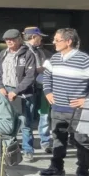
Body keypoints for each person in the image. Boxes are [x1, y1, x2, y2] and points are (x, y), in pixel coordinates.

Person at [39, 28, 89, 176]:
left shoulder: (83, 59)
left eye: (57, 40)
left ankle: (83, 173)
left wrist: (88, 100)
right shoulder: (55, 58)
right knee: (58, 138)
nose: (54, 42)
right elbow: (46, 76)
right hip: (57, 107)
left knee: (81, 142)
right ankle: (57, 167)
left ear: (68, 41)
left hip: (77, 110)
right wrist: (48, 91)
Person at [0, 29, 38, 162]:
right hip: (5, 90)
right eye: (7, 40)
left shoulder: (28, 54)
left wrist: (16, 91)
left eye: (12, 40)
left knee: (25, 122)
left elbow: (30, 77)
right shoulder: (3, 53)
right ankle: (10, 148)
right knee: (7, 121)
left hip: (22, 93)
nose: (9, 42)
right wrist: (0, 87)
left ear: (19, 39)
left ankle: (28, 150)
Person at [23, 26, 52, 156]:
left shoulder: (40, 51)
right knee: (26, 118)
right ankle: (27, 148)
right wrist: (38, 69)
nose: (41, 40)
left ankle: (45, 141)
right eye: (40, 37)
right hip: (28, 88)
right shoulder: (22, 50)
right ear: (34, 37)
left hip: (42, 86)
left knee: (44, 115)